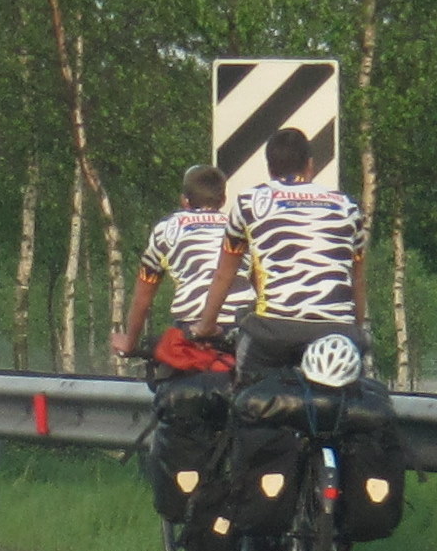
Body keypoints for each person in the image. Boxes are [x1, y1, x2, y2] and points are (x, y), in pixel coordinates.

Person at [189, 126, 366, 379]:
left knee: (246, 398)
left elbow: (224, 274)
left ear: (270, 169)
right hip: (338, 332)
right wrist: (354, 331)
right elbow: (357, 279)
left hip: (273, 330)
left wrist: (206, 326)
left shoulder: (249, 202)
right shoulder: (348, 206)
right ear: (311, 165)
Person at [110, 164, 238, 375]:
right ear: (223, 200)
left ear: (184, 200)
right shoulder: (238, 226)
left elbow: (144, 295)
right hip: (238, 328)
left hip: (191, 330)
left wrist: (130, 342)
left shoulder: (167, 229)